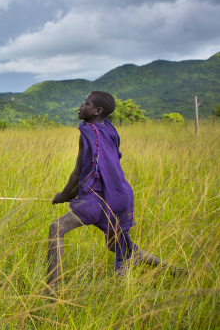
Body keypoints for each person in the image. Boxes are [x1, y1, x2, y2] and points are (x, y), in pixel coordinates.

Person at [47, 91, 183, 292]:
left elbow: (78, 171)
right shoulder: (108, 129)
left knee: (56, 228)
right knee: (118, 246)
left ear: (97, 111)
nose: (80, 106)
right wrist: (71, 194)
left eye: (85, 103)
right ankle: (175, 271)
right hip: (120, 194)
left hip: (101, 197)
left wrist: (64, 195)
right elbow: (94, 168)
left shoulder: (89, 132)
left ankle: (51, 289)